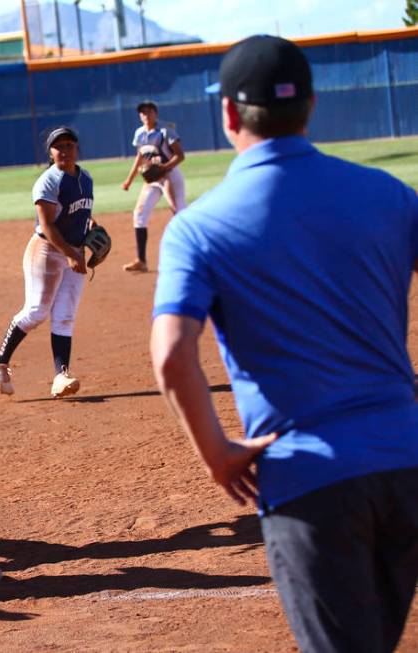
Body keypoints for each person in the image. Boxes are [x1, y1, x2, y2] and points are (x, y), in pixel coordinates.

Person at [150, 35, 418, 653]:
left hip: (310, 481)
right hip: (405, 463)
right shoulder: (390, 194)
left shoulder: (199, 228)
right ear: (313, 106)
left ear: (228, 116)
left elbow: (170, 355)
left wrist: (217, 452)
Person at [0, 126, 93, 398]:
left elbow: (81, 215)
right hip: (46, 251)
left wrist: (91, 231)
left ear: (77, 148)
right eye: (59, 146)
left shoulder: (86, 178)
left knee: (65, 315)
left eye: (69, 145)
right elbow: (47, 224)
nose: (65, 150)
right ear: (51, 152)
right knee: (36, 311)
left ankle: (61, 375)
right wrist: (70, 253)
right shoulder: (48, 181)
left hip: (74, 252)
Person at [121, 100, 186, 273]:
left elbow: (180, 156)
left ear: (155, 113)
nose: (145, 115)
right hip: (152, 180)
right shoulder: (140, 133)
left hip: (170, 176)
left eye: (149, 112)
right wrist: (129, 180)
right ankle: (141, 261)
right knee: (139, 214)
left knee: (179, 212)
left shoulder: (165, 131)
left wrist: (164, 168)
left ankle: (194, 255)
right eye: (142, 113)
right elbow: (139, 158)